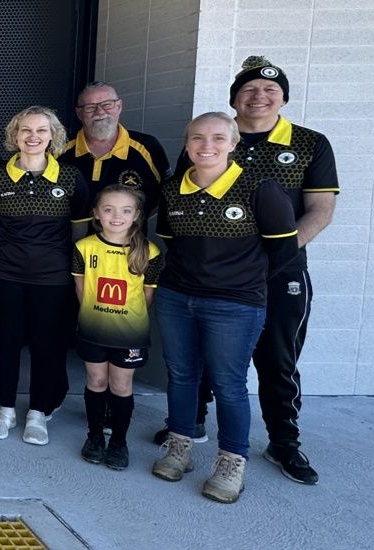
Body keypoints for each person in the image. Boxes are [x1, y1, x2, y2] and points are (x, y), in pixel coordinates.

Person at [152, 56, 337, 486]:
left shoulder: (309, 143)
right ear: (235, 98)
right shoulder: (197, 149)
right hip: (195, 281)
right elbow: (179, 223)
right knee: (189, 363)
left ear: (284, 97)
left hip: (274, 272)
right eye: (249, 89)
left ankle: (282, 442)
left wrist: (266, 262)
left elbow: (320, 211)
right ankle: (188, 428)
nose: (260, 95)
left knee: (274, 360)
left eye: (271, 90)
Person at [150, 112, 298, 504]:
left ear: (234, 144)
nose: (207, 146)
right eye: (197, 138)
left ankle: (232, 462)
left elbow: (282, 248)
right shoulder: (172, 190)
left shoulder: (259, 188)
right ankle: (180, 446)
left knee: (228, 384)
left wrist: (242, 280)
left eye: (217, 138)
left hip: (234, 304)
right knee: (181, 374)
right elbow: (170, 240)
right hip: (176, 296)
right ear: (187, 144)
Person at [0, 106, 91, 445]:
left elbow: (79, 233)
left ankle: (38, 413)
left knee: (47, 346)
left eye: (41, 130)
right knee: (8, 342)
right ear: (15, 135)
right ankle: (7, 410)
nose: (33, 136)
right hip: (4, 274)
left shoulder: (70, 178)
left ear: (53, 136)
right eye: (26, 130)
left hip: (53, 278)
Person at [71, 185, 162, 470]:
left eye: (125, 210)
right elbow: (81, 291)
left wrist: (125, 320)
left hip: (129, 333)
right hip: (93, 328)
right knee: (96, 382)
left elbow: (147, 297)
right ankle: (95, 437)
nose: (116, 216)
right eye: (108, 209)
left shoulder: (149, 252)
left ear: (136, 216)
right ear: (96, 213)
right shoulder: (84, 248)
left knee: (120, 385)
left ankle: (119, 442)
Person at [58, 82, 169, 215]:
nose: (100, 112)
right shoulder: (60, 148)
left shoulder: (147, 146)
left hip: (129, 235)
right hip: (70, 235)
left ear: (119, 106)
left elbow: (167, 193)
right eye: (90, 107)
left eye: (107, 104)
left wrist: (136, 222)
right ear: (79, 113)